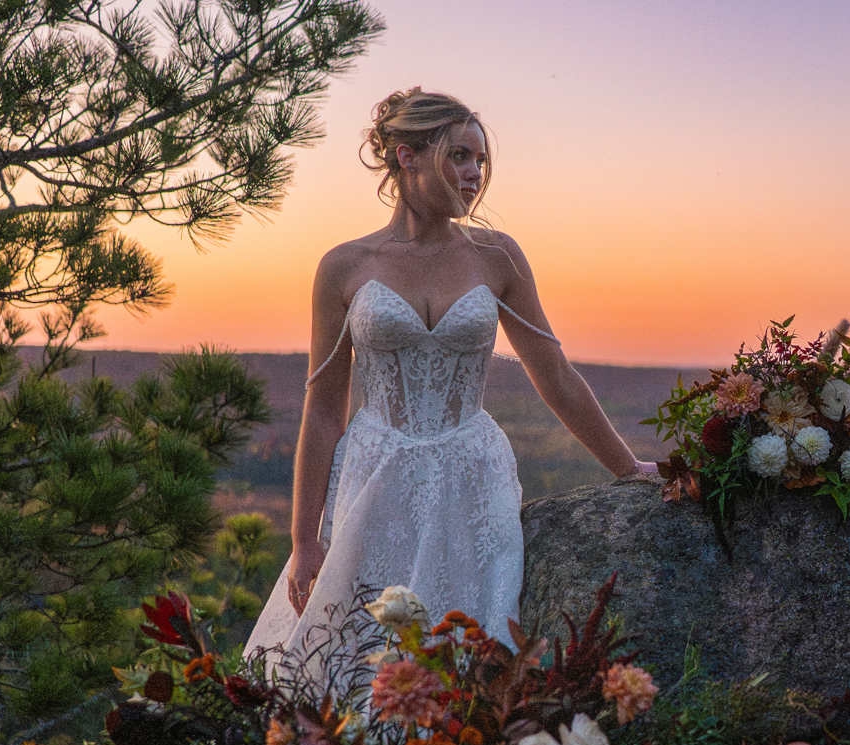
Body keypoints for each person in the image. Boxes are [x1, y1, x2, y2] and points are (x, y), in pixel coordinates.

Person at [245, 88, 655, 661]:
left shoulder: (498, 257)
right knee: (357, 654)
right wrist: (304, 540)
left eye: (480, 162)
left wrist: (628, 466)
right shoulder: (344, 266)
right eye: (460, 156)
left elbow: (555, 375)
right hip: (372, 479)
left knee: (464, 652)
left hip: (471, 475)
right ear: (406, 156)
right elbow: (322, 412)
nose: (474, 175)